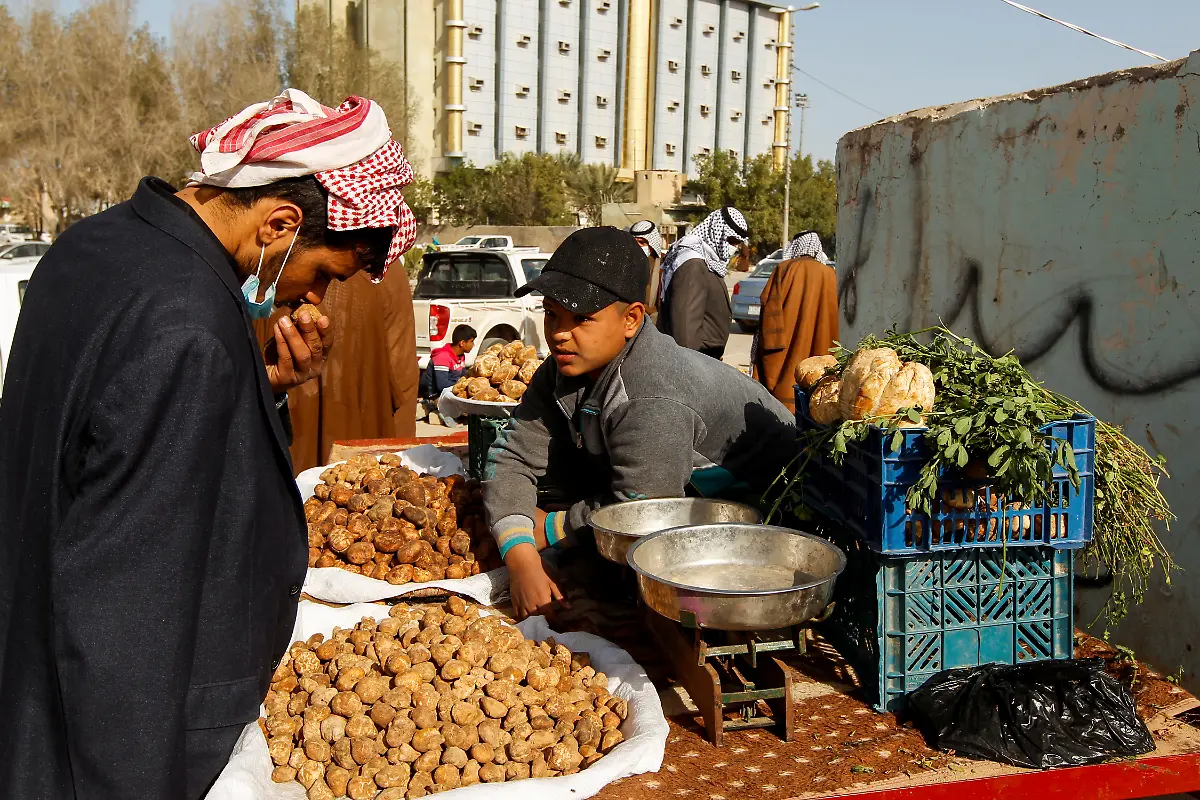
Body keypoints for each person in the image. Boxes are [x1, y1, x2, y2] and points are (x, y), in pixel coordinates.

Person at [0, 88, 418, 799]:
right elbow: (127, 603)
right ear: (281, 222)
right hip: (102, 747)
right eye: (323, 277)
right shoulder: (191, 324)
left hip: (30, 671)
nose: (310, 302)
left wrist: (268, 384)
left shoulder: (93, 244)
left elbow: (113, 433)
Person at [482, 227, 798, 620]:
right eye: (552, 314)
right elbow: (511, 456)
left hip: (765, 517)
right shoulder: (563, 368)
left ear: (631, 319)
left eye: (581, 318)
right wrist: (521, 555)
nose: (559, 334)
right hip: (661, 494)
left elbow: (641, 512)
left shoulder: (653, 396)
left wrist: (549, 530)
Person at [257, 264, 421, 474]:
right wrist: (402, 462)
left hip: (274, 458)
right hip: (359, 469)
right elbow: (404, 376)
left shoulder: (268, 259)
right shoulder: (384, 266)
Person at [752, 231, 838, 413]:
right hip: (822, 355)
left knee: (782, 404)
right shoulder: (830, 274)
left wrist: (769, 348)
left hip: (785, 357)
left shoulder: (784, 269)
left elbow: (769, 313)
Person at [656, 206, 748, 360]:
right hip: (696, 361)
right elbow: (685, 334)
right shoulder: (693, 264)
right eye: (731, 241)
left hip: (706, 360)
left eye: (737, 243)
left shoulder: (707, 262)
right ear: (716, 232)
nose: (734, 248)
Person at [420, 323, 477, 424]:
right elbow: (441, 384)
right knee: (458, 414)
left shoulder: (460, 356)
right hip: (436, 393)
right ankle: (433, 408)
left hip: (450, 389)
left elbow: (464, 376)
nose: (473, 345)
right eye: (471, 341)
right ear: (462, 343)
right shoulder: (443, 357)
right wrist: (461, 386)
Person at [627, 219, 664, 310]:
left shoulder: (664, 264)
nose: (637, 246)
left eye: (642, 242)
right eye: (634, 242)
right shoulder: (625, 263)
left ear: (652, 245)